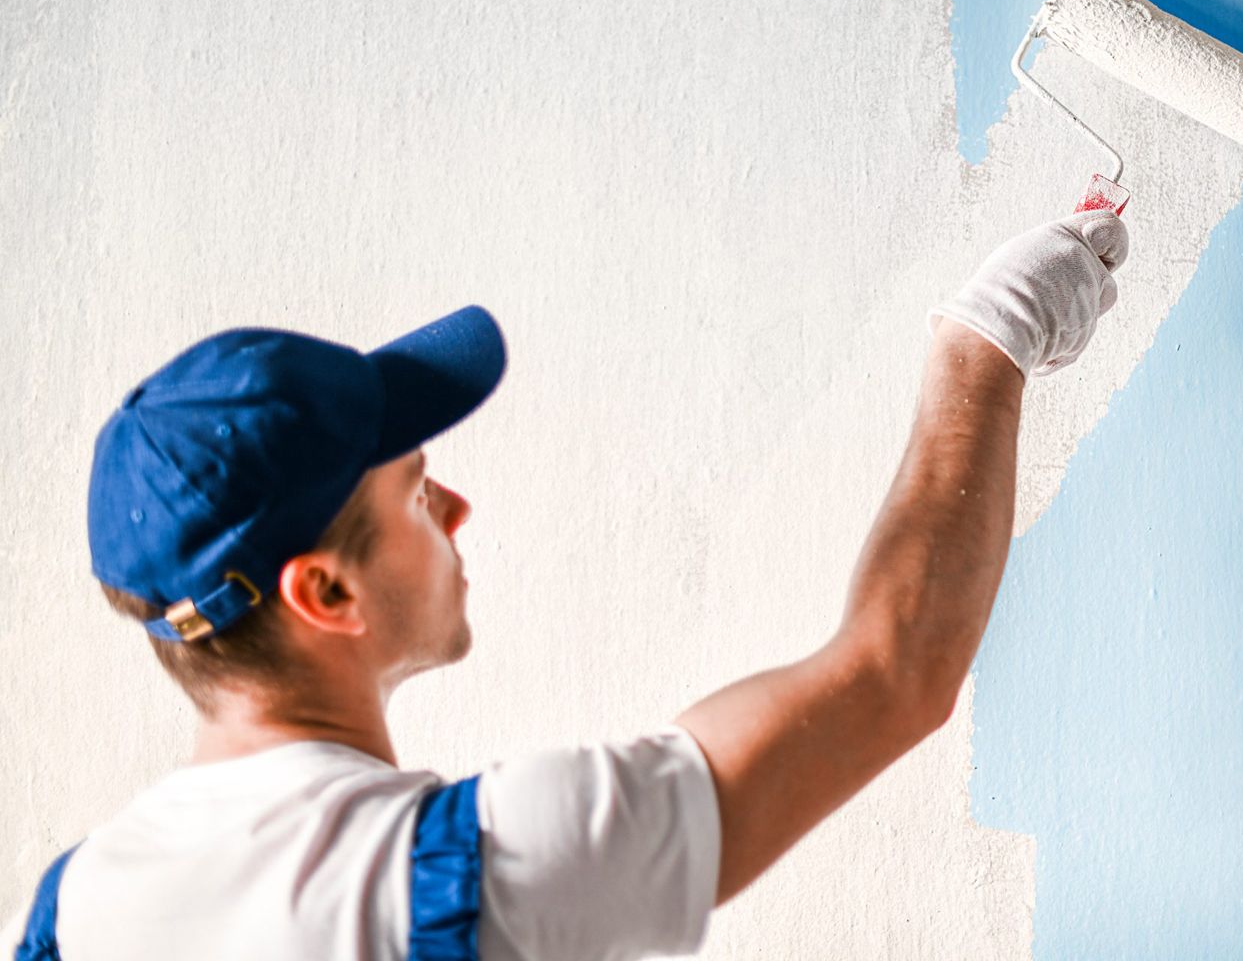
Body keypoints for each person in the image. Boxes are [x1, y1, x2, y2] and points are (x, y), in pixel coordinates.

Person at [5, 210, 1129, 959]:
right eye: (416, 491)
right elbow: (895, 669)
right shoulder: (483, 867)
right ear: (325, 594)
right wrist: (987, 345)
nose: (456, 510)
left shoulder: (64, 913)